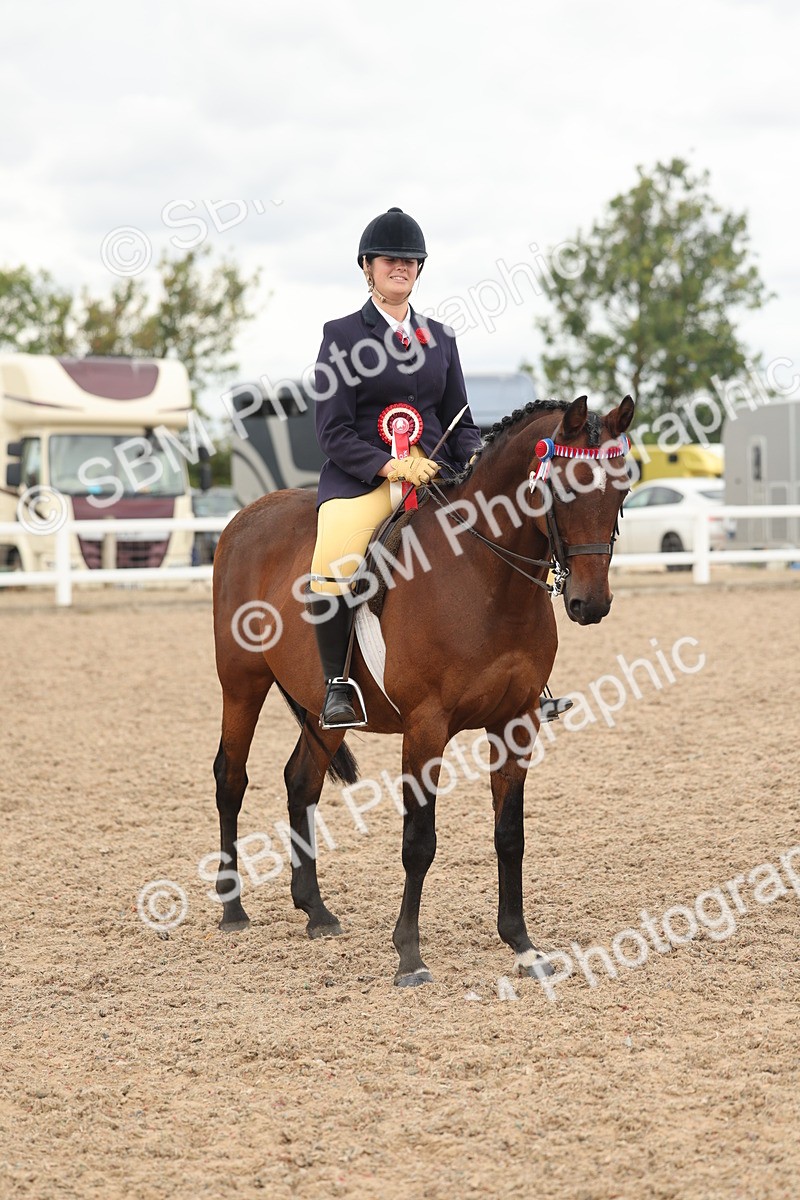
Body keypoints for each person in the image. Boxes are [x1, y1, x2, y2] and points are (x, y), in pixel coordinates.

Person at [308, 205, 571, 729]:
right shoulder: (341, 337)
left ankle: (525, 682)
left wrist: (470, 459)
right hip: (366, 478)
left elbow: (462, 419)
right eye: (389, 260)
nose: (399, 268)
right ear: (367, 267)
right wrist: (389, 466)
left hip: (438, 476)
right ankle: (339, 683)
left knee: (506, 537)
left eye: (409, 261)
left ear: (420, 270)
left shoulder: (440, 338)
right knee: (335, 550)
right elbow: (331, 432)